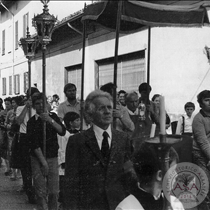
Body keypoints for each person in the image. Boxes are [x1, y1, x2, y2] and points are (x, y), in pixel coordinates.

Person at [64, 89, 132, 210]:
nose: (107, 112)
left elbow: (128, 176)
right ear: (90, 114)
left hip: (118, 205)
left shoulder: (123, 139)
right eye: (101, 108)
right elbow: (71, 182)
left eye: (109, 108)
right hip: (89, 205)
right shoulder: (77, 141)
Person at [116, 142, 184, 210]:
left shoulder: (175, 204)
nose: (176, 175)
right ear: (160, 175)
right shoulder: (125, 208)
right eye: (173, 170)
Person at [27, 92, 66, 210]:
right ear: (34, 106)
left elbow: (62, 131)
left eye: (42, 103)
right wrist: (43, 162)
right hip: (37, 158)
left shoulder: (53, 117)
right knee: (40, 191)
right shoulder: (32, 122)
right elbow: (33, 144)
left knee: (54, 191)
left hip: (52, 157)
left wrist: (50, 120)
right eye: (37, 104)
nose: (40, 106)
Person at [15, 87, 40, 204]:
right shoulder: (20, 108)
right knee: (26, 166)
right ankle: (29, 191)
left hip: (37, 137)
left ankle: (39, 191)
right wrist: (27, 107)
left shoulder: (40, 108)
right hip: (25, 137)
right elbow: (18, 121)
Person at [58, 111, 81, 208]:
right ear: (70, 123)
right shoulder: (63, 135)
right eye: (77, 120)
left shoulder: (78, 134)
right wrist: (64, 162)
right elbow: (61, 149)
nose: (79, 122)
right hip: (65, 165)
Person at [192, 90, 210, 209]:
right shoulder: (198, 119)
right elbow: (203, 142)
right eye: (207, 100)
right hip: (201, 154)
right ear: (200, 104)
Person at [0, 97, 12, 175]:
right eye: (5, 104)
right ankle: (8, 167)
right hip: (3, 132)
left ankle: (10, 168)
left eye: (8, 104)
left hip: (10, 133)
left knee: (10, 150)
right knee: (4, 149)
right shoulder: (2, 112)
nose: (6, 105)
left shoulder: (13, 112)